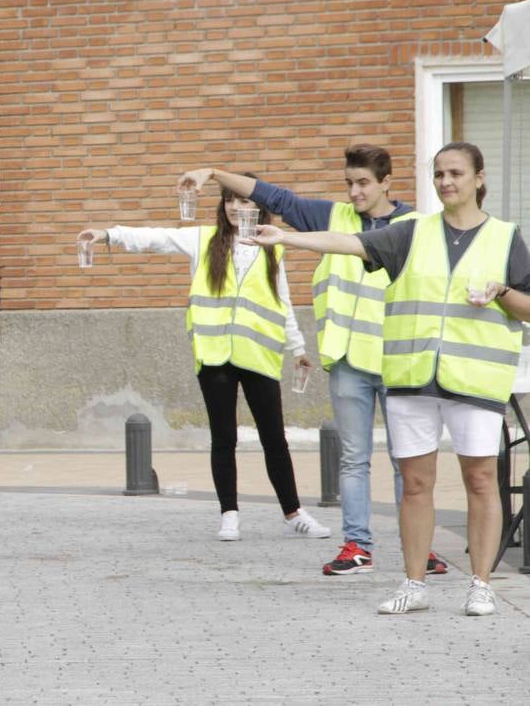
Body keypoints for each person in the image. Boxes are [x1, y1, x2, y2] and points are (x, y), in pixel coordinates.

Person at [253, 142, 530, 616]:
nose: (446, 182)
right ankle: (414, 583)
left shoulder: (505, 237)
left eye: (456, 173)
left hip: (475, 380)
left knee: (481, 481)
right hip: (411, 378)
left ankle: (481, 584)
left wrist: (502, 292)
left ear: (479, 179)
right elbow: (349, 243)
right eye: (439, 173)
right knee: (415, 483)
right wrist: (286, 239)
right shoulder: (412, 233)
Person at [179, 148, 448, 577]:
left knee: (407, 460)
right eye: (349, 183)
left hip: (398, 358)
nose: (355, 192)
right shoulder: (333, 216)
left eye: (363, 183)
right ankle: (357, 546)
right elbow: (276, 197)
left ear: (386, 183)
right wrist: (213, 173)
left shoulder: (416, 226)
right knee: (353, 459)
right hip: (347, 359)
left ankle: (423, 548)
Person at [79, 175, 332, 544]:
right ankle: (229, 514)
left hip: (259, 355)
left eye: (244, 201)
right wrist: (107, 235)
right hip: (215, 357)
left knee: (274, 438)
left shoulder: (272, 246)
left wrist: (299, 348)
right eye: (230, 200)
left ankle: (293, 513)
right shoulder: (203, 240)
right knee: (223, 438)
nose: (236, 207)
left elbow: (283, 301)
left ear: (259, 207)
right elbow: (155, 238)